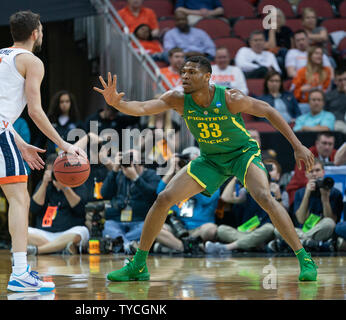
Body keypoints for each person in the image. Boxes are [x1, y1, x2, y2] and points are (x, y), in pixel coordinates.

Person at [93, 55, 317, 282]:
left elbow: (268, 110)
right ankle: (138, 265)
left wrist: (297, 146)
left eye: (192, 72)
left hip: (241, 155)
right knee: (163, 198)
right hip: (211, 159)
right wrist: (117, 103)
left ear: (207, 76)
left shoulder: (230, 97)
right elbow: (142, 107)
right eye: (183, 72)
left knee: (264, 197)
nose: (185, 76)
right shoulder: (178, 99)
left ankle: (304, 258)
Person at [0, 11, 86, 292]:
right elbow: (35, 111)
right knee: (19, 197)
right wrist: (64, 144)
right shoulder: (33, 61)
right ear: (36, 33)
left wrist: (18, 141)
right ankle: (19, 272)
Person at [154, 150, 219, 254]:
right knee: (155, 229)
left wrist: (191, 175)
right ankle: (186, 248)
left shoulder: (212, 180)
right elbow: (160, 194)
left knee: (211, 229)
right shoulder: (178, 181)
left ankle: (171, 247)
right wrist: (172, 170)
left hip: (200, 229)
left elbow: (205, 199)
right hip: (178, 229)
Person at [272, 159, 342, 251]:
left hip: (322, 230)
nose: (314, 174)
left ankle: (297, 242)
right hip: (303, 230)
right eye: (311, 171)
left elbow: (331, 220)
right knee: (278, 229)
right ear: (306, 174)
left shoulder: (334, 192)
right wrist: (306, 194)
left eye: (317, 170)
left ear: (323, 172)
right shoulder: (299, 193)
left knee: (329, 223)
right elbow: (301, 220)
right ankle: (312, 243)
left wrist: (325, 199)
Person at [100, 149, 161, 254]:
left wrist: (136, 178)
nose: (129, 162)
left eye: (132, 158)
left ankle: (120, 243)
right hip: (118, 221)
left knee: (146, 228)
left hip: (140, 221)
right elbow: (104, 193)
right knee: (108, 226)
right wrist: (114, 170)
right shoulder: (119, 175)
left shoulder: (151, 175)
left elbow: (153, 196)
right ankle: (129, 245)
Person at [27, 154, 89, 255]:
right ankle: (62, 248)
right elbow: (34, 208)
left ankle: (39, 250)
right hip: (44, 233)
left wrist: (65, 187)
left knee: (82, 232)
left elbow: (80, 209)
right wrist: (44, 184)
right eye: (52, 172)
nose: (54, 175)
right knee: (22, 232)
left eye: (57, 172)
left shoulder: (76, 181)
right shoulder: (44, 183)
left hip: (68, 232)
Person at [205, 176, 276, 254]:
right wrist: (235, 178)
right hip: (246, 232)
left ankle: (227, 247)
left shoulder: (274, 195)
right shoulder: (247, 195)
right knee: (221, 229)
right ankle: (254, 244)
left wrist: (278, 197)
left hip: (263, 234)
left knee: (269, 228)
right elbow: (225, 197)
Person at [286, 132, 337, 205]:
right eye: (324, 143)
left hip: (327, 189)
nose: (327, 147)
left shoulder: (337, 156)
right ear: (317, 143)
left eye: (330, 144)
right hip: (301, 189)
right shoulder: (306, 155)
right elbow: (301, 179)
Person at [292, 46, 332, 112]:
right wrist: (301, 89)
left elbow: (328, 90)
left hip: (321, 103)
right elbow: (294, 93)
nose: (319, 56)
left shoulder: (326, 71)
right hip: (305, 103)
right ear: (310, 56)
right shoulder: (301, 72)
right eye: (316, 53)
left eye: (321, 54)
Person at [263, 8, 294, 74]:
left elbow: (292, 47)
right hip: (273, 56)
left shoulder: (287, 30)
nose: (276, 19)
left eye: (278, 17)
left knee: (284, 53)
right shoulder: (266, 31)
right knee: (279, 60)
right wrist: (272, 30)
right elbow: (271, 46)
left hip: (288, 55)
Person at [325, 67, 346, 133]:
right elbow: (324, 112)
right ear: (335, 81)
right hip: (336, 122)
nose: (343, 82)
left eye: (345, 79)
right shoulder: (329, 95)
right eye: (340, 80)